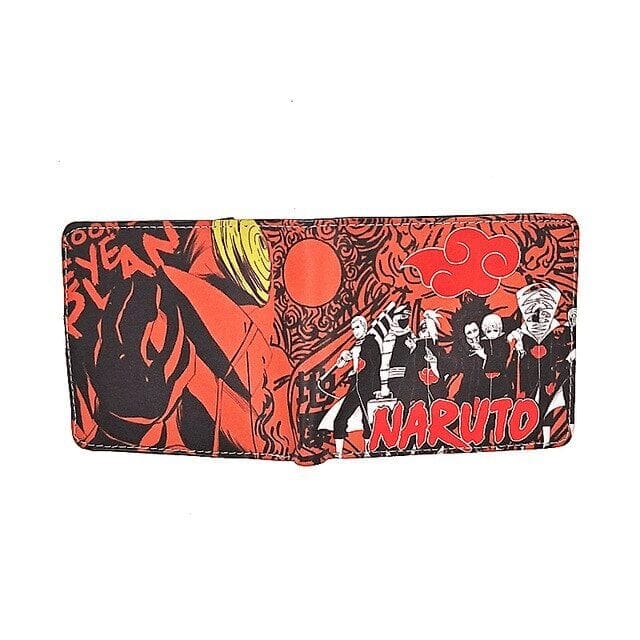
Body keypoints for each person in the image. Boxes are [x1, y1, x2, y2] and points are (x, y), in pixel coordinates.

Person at [332, 315, 381, 458]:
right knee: (340, 418)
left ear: (364, 327)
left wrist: (377, 388)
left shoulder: (371, 343)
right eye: (353, 328)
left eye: (358, 327)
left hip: (368, 386)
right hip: (355, 385)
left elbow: (376, 366)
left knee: (367, 420)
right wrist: (342, 358)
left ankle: (368, 450)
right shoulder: (354, 346)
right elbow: (341, 365)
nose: (355, 331)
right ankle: (338, 452)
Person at [479, 313, 512, 400]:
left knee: (499, 396)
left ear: (500, 330)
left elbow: (502, 357)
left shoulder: (503, 343)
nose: (492, 334)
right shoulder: (483, 343)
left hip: (500, 374)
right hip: (485, 375)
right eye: (489, 331)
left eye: (495, 330)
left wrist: (485, 356)